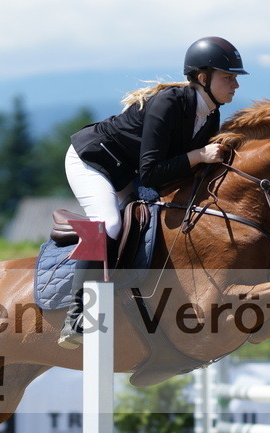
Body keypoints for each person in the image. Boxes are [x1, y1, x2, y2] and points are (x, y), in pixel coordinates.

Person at [58, 36, 247, 349]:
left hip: (127, 170)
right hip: (93, 160)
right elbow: (152, 172)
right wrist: (199, 156)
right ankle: (78, 312)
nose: (235, 85)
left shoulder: (210, 114)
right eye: (228, 77)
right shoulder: (169, 103)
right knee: (109, 225)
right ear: (203, 78)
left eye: (235, 78)